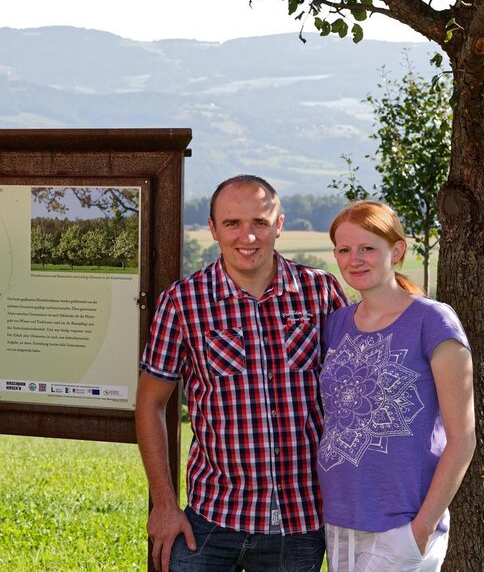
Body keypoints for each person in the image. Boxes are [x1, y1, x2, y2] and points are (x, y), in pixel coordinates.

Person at [135, 174, 349, 572]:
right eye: (232, 223)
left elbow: (352, 399)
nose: (247, 237)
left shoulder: (320, 292)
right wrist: (164, 506)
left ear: (279, 225)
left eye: (260, 223)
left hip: (301, 522)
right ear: (213, 229)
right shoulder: (182, 302)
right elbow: (150, 404)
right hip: (210, 519)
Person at [318, 200, 475, 572]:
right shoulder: (337, 324)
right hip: (340, 518)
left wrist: (420, 530)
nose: (354, 259)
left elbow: (463, 437)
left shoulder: (432, 321)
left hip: (402, 523)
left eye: (368, 247)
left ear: (397, 250)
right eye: (344, 249)